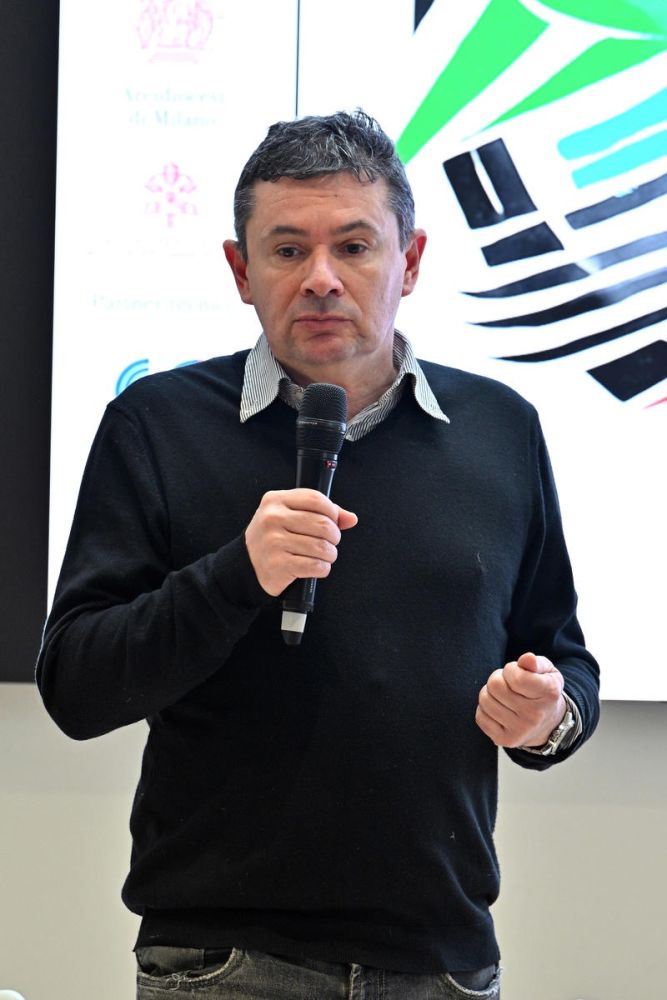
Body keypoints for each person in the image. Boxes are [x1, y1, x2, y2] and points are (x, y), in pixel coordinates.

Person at [37, 110, 600, 999]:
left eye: (355, 247)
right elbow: (76, 686)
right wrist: (236, 574)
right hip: (223, 963)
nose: (322, 279)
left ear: (410, 262)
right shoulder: (157, 424)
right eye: (288, 250)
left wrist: (546, 716)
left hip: (442, 964)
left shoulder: (500, 430)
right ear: (241, 270)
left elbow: (562, 661)